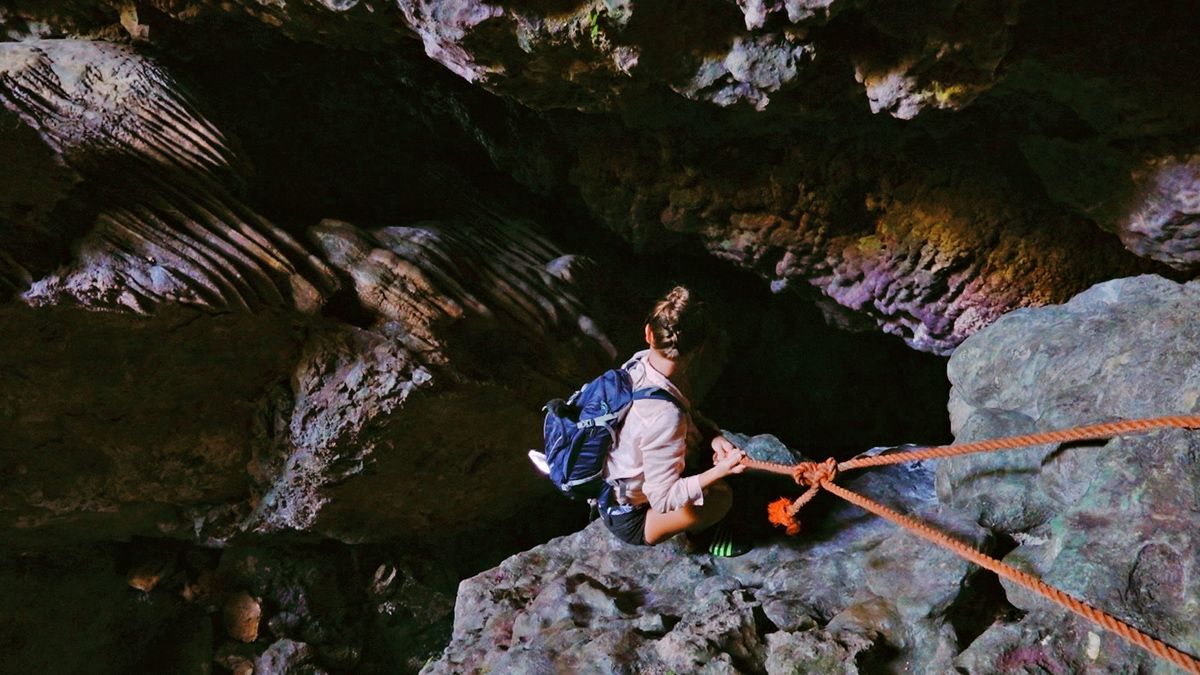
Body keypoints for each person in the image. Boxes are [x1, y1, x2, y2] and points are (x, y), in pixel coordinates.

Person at [598, 286, 752, 556]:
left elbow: (684, 412)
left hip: (612, 486)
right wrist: (722, 470)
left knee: (705, 454)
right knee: (721, 498)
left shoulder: (637, 365)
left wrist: (713, 436)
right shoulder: (666, 417)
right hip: (632, 517)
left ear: (648, 333)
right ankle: (704, 539)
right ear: (699, 348)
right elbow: (663, 498)